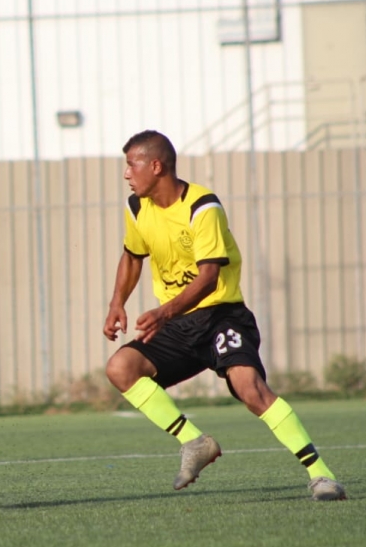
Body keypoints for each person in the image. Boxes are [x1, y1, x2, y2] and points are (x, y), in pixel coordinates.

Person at [102, 129, 346, 501]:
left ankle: (321, 475)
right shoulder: (137, 207)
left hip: (221, 316)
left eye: (131, 165)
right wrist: (117, 302)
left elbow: (209, 276)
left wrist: (163, 311)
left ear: (156, 165)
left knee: (250, 389)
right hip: (178, 322)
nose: (126, 174)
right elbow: (132, 255)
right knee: (121, 368)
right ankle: (195, 443)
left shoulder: (203, 206)